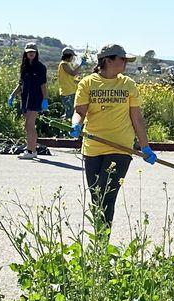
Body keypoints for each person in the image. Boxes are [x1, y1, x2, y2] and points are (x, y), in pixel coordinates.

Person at [71, 44, 157, 228]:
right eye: (122, 59)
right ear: (108, 60)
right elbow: (80, 111)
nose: (125, 63)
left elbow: (137, 119)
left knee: (107, 194)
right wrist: (76, 124)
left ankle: (102, 245)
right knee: (96, 196)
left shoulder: (128, 84)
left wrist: (145, 147)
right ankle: (99, 241)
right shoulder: (87, 83)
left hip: (121, 148)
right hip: (93, 148)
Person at [8, 42, 48, 160]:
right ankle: (31, 148)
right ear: (25, 53)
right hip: (25, 99)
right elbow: (21, 84)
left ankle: (31, 150)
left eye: (33, 52)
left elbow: (43, 85)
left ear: (36, 53)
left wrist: (45, 99)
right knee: (28, 125)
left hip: (36, 99)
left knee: (29, 124)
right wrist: (12, 95)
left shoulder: (41, 67)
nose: (31, 53)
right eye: (29, 52)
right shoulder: (24, 67)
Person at [57, 47, 81, 119]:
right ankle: (64, 126)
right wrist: (81, 65)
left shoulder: (67, 64)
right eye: (72, 56)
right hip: (67, 92)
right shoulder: (63, 64)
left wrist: (80, 81)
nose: (72, 58)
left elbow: (70, 79)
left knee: (71, 111)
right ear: (69, 56)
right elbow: (73, 73)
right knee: (70, 113)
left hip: (70, 91)